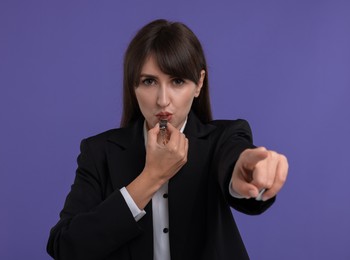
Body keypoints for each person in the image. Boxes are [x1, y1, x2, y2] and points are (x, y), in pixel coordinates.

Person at [47, 19, 288, 260]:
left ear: (199, 84)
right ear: (133, 86)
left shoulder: (221, 139)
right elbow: (66, 247)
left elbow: (235, 158)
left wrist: (246, 173)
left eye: (177, 81)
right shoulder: (99, 152)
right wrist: (152, 177)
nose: (163, 100)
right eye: (149, 81)